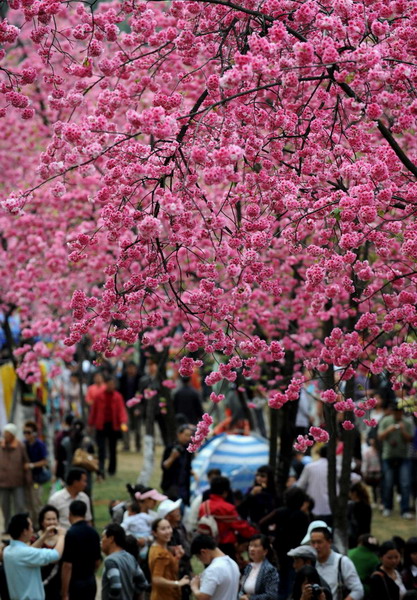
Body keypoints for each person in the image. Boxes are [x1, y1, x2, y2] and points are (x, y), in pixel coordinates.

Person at [3, 512, 65, 600]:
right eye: (31, 527)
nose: (32, 530)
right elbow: (55, 555)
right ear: (24, 531)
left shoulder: (8, 550)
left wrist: (44, 536)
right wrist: (61, 536)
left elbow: (30, 551)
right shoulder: (25, 553)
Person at [198, 476, 257, 560]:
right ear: (225, 492)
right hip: (226, 546)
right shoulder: (228, 508)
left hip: (208, 546)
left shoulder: (203, 506)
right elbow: (242, 527)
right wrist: (255, 534)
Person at [377, 399, 414, 518]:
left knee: (405, 483)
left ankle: (405, 509)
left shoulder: (407, 423)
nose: (397, 414)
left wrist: (403, 430)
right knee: (388, 483)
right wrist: (389, 429)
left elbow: (410, 440)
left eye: (399, 412)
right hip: (388, 456)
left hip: (404, 456)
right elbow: (380, 437)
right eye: (395, 412)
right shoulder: (386, 421)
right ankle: (387, 507)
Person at [88, 374, 128, 476]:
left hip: (113, 425)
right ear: (105, 384)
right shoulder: (98, 396)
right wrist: (91, 424)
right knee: (101, 448)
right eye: (109, 384)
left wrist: (123, 421)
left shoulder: (118, 397)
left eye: (112, 384)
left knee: (112, 448)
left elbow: (121, 411)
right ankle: (101, 468)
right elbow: (94, 411)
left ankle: (112, 469)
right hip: (101, 425)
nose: (111, 386)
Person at [61, 500, 101, 600]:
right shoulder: (94, 532)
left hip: (75, 583)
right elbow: (97, 561)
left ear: (70, 514)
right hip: (90, 581)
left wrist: (64, 593)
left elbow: (67, 565)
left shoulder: (71, 534)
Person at [310, 526, 364, 600]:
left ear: (329, 542)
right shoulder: (310, 563)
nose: (316, 546)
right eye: (313, 542)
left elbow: (358, 590)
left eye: (319, 542)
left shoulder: (342, 562)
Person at [101, 523, 149, 600]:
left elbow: (116, 586)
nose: (101, 542)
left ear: (111, 539)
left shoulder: (111, 561)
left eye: (103, 538)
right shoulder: (130, 558)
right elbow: (143, 584)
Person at [148, 517, 190, 600]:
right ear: (155, 533)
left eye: (169, 527)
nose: (168, 531)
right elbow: (156, 579)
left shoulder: (155, 547)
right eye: (163, 529)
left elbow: (169, 569)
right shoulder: (161, 554)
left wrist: (177, 557)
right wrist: (178, 583)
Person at [190, 533, 240, 600]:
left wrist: (194, 586)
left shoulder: (213, 570)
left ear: (203, 552)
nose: (201, 561)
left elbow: (203, 597)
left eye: (199, 558)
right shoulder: (233, 563)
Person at [0, 423, 31, 529]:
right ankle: (7, 527)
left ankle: (21, 527)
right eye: (4, 433)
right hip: (3, 482)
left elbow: (26, 462)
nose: (5, 436)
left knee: (19, 506)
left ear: (13, 435)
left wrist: (28, 479)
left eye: (7, 434)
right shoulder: (1, 445)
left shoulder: (20, 446)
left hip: (18, 481)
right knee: (5, 506)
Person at [294, 445, 332, 525]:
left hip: (312, 506)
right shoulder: (337, 468)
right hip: (330, 507)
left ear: (319, 454)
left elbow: (300, 485)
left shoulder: (310, 467)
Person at [32, 505, 62, 600]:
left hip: (58, 583)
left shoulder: (63, 538)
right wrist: (45, 536)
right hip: (39, 582)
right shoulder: (35, 538)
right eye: (48, 519)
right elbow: (30, 552)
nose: (52, 522)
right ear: (42, 521)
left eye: (54, 519)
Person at [23, 420, 50, 522]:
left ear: (34, 433)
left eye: (28, 432)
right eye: (24, 432)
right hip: (27, 479)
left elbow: (45, 461)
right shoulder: (24, 444)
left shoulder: (39, 444)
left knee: (36, 503)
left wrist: (31, 465)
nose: (26, 435)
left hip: (37, 478)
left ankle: (40, 524)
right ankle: (32, 525)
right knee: (28, 504)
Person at [161, 424, 194, 505]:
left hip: (184, 486)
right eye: (186, 435)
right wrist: (172, 457)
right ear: (179, 434)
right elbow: (164, 466)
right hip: (171, 486)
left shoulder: (188, 450)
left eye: (189, 435)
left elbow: (188, 467)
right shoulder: (170, 448)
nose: (188, 438)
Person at [239, 534, 279, 600]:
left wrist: (250, 598)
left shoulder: (269, 569)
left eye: (256, 546)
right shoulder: (248, 567)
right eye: (250, 545)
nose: (252, 549)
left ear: (265, 551)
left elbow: (271, 595)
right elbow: (241, 590)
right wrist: (241, 596)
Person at [119, 361, 142, 451]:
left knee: (138, 427)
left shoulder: (140, 378)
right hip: (125, 405)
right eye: (129, 368)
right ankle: (126, 444)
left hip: (137, 405)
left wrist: (139, 407)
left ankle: (138, 445)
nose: (131, 370)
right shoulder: (123, 378)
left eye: (133, 368)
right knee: (125, 425)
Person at [348, 534, 379, 599]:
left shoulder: (349, 552)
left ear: (360, 543)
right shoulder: (375, 559)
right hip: (364, 591)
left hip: (347, 587)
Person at [347, 482, 372, 549]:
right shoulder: (367, 506)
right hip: (365, 536)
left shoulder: (354, 507)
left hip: (355, 538)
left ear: (354, 493)